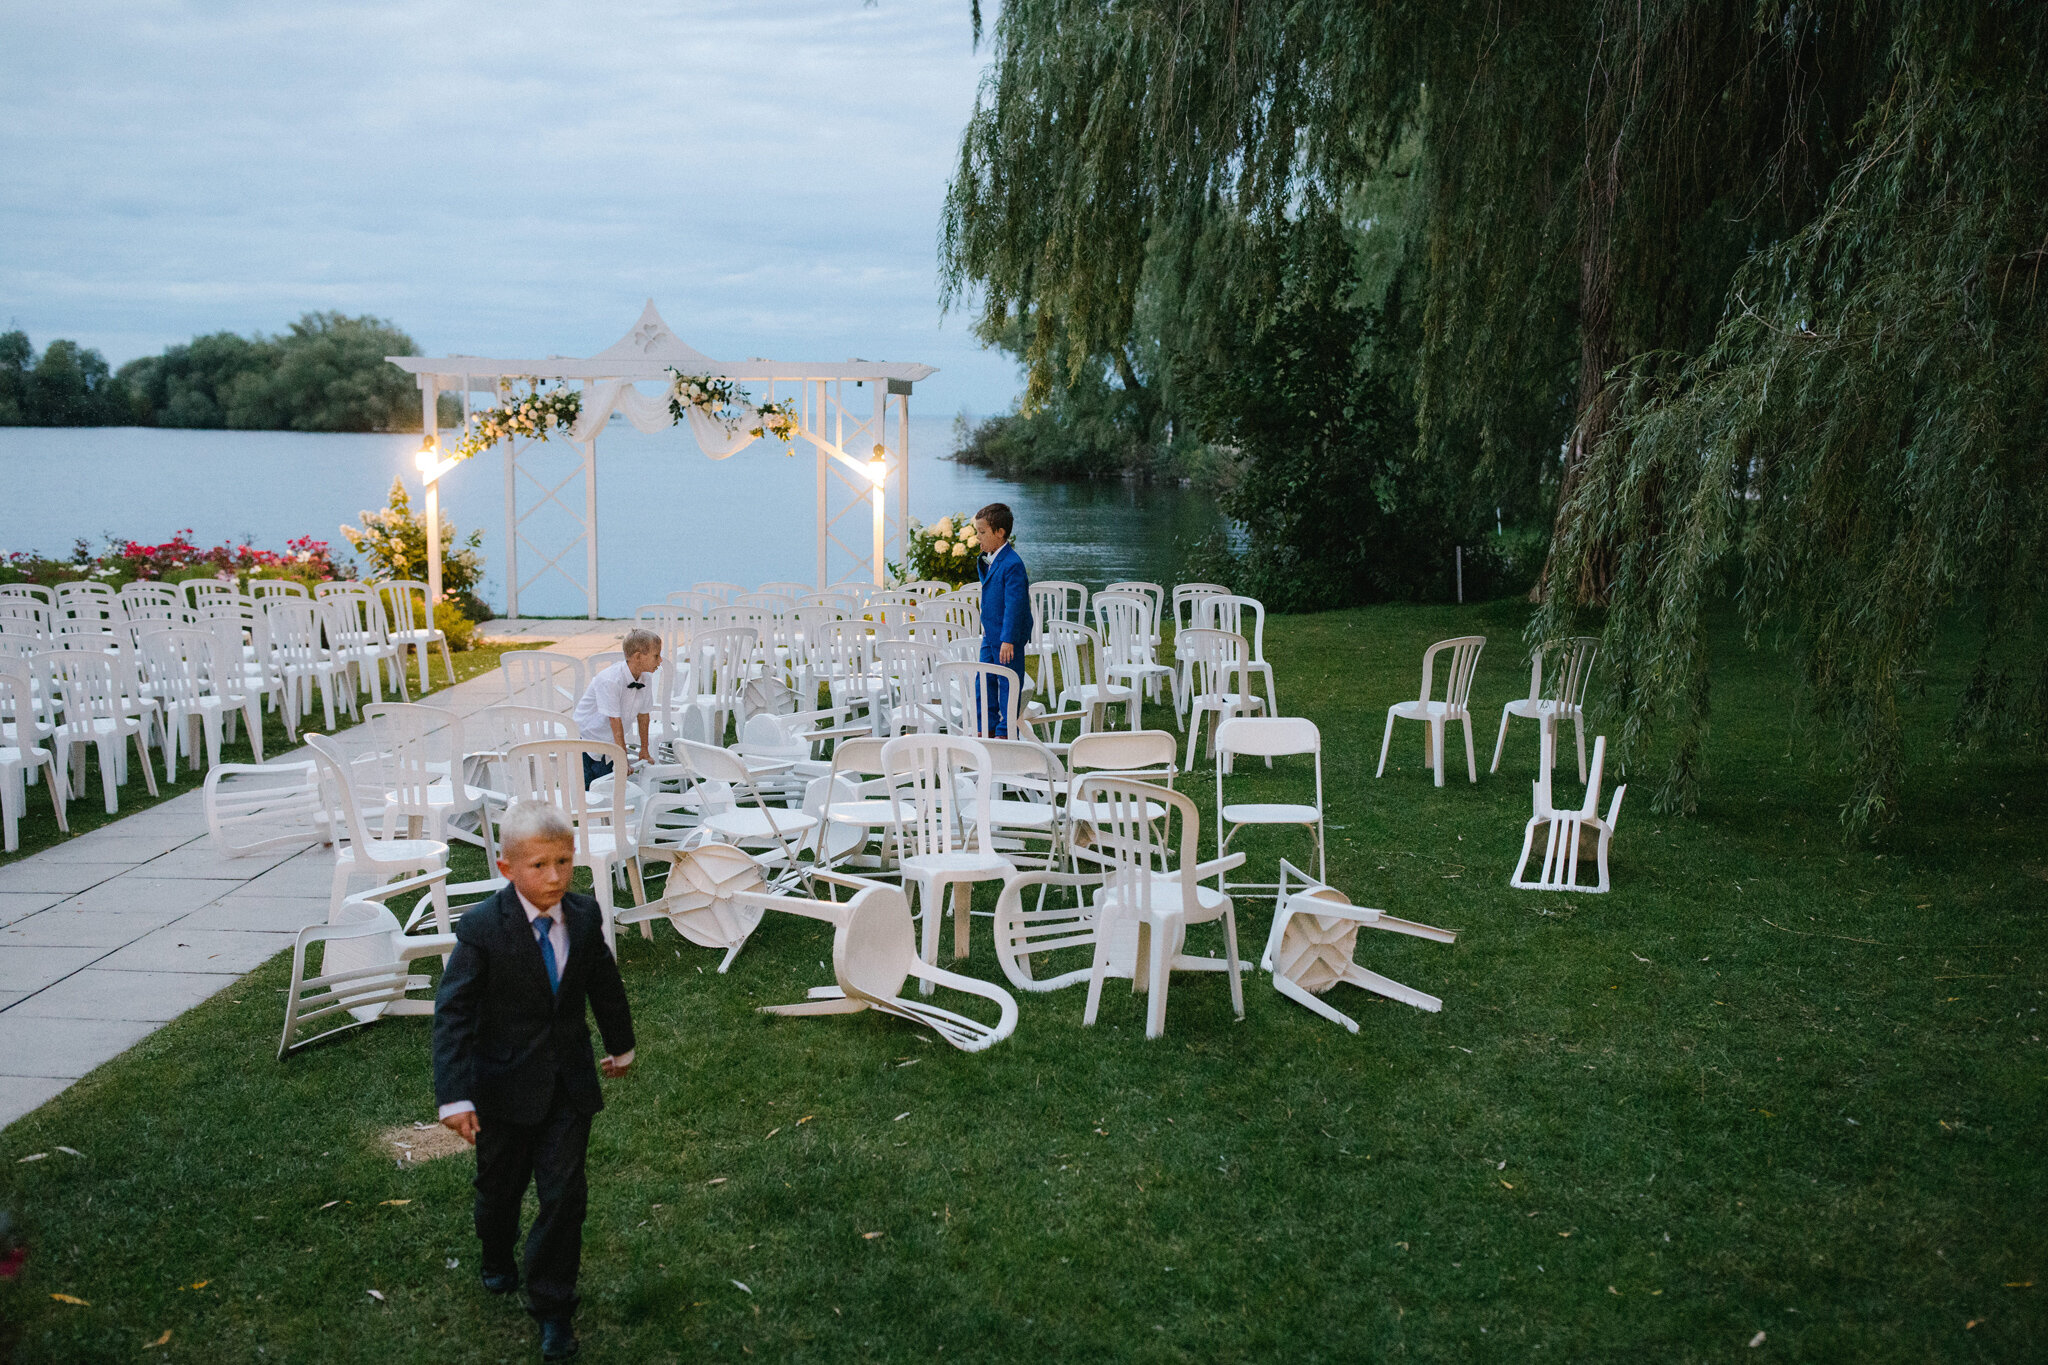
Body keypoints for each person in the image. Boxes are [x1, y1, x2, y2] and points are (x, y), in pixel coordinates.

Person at [434, 802, 637, 1361]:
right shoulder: (482, 929)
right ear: (506, 869)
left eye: (564, 862)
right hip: (500, 1087)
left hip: (567, 1086)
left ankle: (553, 1307)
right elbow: (452, 1015)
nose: (553, 877)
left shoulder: (586, 915)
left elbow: (603, 980)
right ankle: (496, 1252)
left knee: (564, 1197)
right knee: (499, 1190)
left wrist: (621, 1043)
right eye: (539, 865)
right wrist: (455, 1095)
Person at [571, 629, 661, 788]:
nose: (660, 660)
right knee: (587, 790)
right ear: (638, 656)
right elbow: (614, 721)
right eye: (656, 655)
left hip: (608, 742)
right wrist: (622, 759)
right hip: (585, 739)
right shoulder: (610, 680)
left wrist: (644, 750)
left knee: (607, 789)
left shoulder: (645, 678)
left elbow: (643, 716)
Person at [974, 502, 1030, 738]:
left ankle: (1005, 732)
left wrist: (1008, 639)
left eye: (982, 532)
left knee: (1007, 684)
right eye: (977, 532)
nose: (978, 538)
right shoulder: (991, 558)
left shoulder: (1012, 564)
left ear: (1000, 532)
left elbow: (1015, 604)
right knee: (983, 682)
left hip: (1007, 638)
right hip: (990, 634)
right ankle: (985, 728)